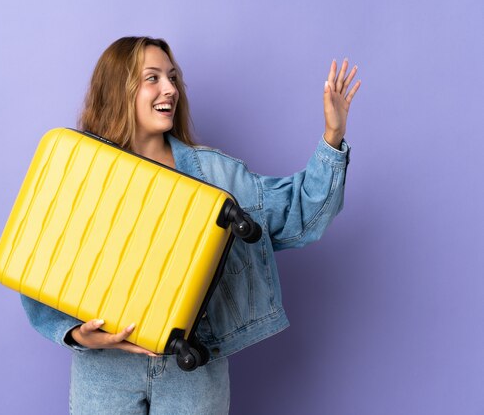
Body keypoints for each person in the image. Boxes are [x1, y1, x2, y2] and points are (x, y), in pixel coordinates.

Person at [20, 36, 361, 414]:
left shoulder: (214, 173)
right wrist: (77, 334)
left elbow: (298, 215)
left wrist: (333, 137)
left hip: (193, 368)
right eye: (152, 78)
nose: (170, 89)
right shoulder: (80, 171)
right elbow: (39, 263)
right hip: (105, 370)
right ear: (119, 89)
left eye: (173, 77)